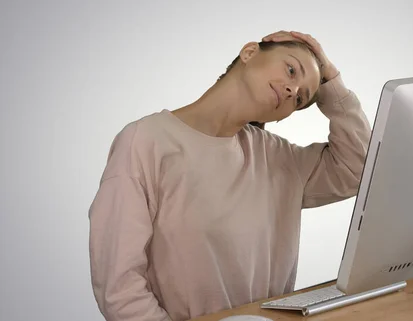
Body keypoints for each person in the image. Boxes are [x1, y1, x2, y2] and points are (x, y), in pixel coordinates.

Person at [88, 30, 372, 321]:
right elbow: (119, 287)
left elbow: (359, 167)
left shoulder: (280, 159)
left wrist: (331, 82)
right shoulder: (146, 142)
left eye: (299, 99)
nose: (291, 90)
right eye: (291, 70)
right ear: (249, 52)